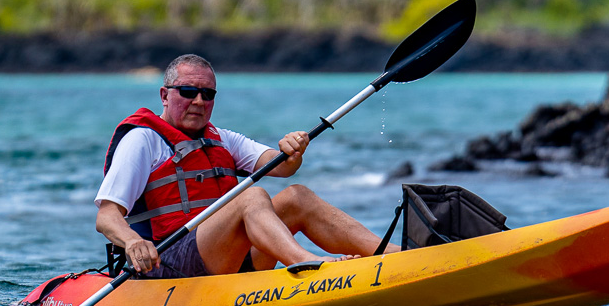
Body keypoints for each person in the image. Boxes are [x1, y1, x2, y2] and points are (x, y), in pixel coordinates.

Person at [94, 54, 394, 278]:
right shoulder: (142, 140)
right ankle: (307, 264)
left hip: (230, 257)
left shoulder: (222, 138)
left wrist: (293, 149)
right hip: (172, 261)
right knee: (250, 195)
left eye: (207, 94)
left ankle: (394, 255)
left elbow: (282, 167)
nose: (199, 101)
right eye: (188, 92)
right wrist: (133, 241)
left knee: (296, 196)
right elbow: (107, 216)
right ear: (164, 95)